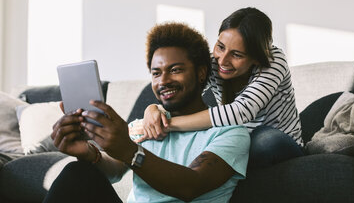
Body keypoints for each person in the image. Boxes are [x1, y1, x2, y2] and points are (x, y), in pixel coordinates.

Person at [43, 23, 250, 203]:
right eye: (156, 73)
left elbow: (191, 186)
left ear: (201, 72)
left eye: (176, 69)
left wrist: (130, 150)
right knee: (78, 173)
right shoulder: (145, 126)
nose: (163, 81)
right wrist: (88, 153)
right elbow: (114, 170)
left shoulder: (230, 132)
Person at [134, 7, 304, 168]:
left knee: (264, 140)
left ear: (257, 58)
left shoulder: (274, 61)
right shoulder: (214, 63)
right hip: (235, 141)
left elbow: (240, 112)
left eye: (236, 55)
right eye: (220, 47)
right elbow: (184, 90)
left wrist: (168, 124)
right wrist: (154, 109)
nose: (222, 61)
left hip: (278, 141)